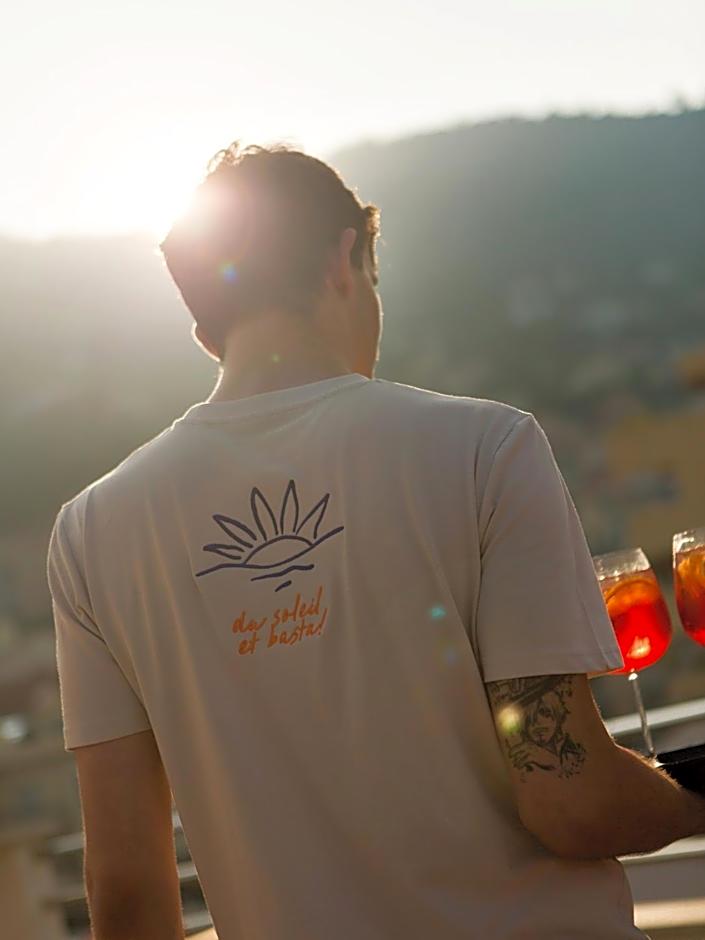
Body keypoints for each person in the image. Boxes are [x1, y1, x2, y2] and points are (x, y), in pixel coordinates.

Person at [46, 141, 705, 940]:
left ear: (202, 324)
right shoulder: (484, 448)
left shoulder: (90, 532)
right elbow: (571, 800)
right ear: (343, 258)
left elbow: (126, 894)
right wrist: (689, 798)